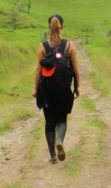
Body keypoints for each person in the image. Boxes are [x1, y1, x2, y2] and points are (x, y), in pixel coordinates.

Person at [33, 14, 80, 164]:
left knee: (49, 121)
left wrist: (35, 89)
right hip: (64, 91)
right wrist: (76, 87)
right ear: (62, 26)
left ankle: (53, 156)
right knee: (61, 119)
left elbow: (38, 70)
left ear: (49, 27)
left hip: (47, 91)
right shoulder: (69, 46)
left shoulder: (43, 46)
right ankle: (59, 139)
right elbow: (76, 70)